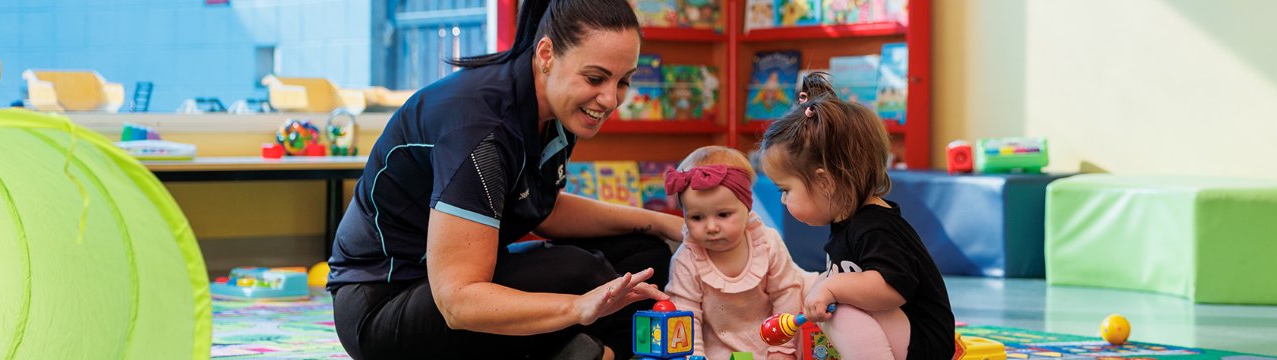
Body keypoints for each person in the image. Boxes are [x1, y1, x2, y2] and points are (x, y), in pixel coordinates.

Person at [325, 0, 682, 358]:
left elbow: (544, 208)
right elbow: (458, 302)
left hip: (445, 291)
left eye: (624, 81)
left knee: (644, 255)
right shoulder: (482, 130)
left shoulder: (554, 105)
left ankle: (597, 352)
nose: (609, 99)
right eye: (595, 78)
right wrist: (578, 308)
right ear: (547, 54)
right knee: (582, 273)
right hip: (383, 306)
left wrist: (664, 224)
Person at [759, 72, 958, 360]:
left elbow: (892, 288)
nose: (783, 199)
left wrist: (830, 287)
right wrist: (822, 286)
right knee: (833, 300)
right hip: (903, 334)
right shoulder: (848, 223)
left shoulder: (875, 226)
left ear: (825, 182)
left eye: (785, 189)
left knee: (839, 308)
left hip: (923, 343)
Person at [661, 146, 807, 360]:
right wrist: (695, 356)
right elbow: (685, 315)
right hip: (717, 349)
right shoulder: (687, 259)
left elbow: (787, 295)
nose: (711, 227)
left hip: (773, 341)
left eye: (723, 214)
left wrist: (781, 350)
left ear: (747, 208)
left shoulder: (766, 243)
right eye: (697, 217)